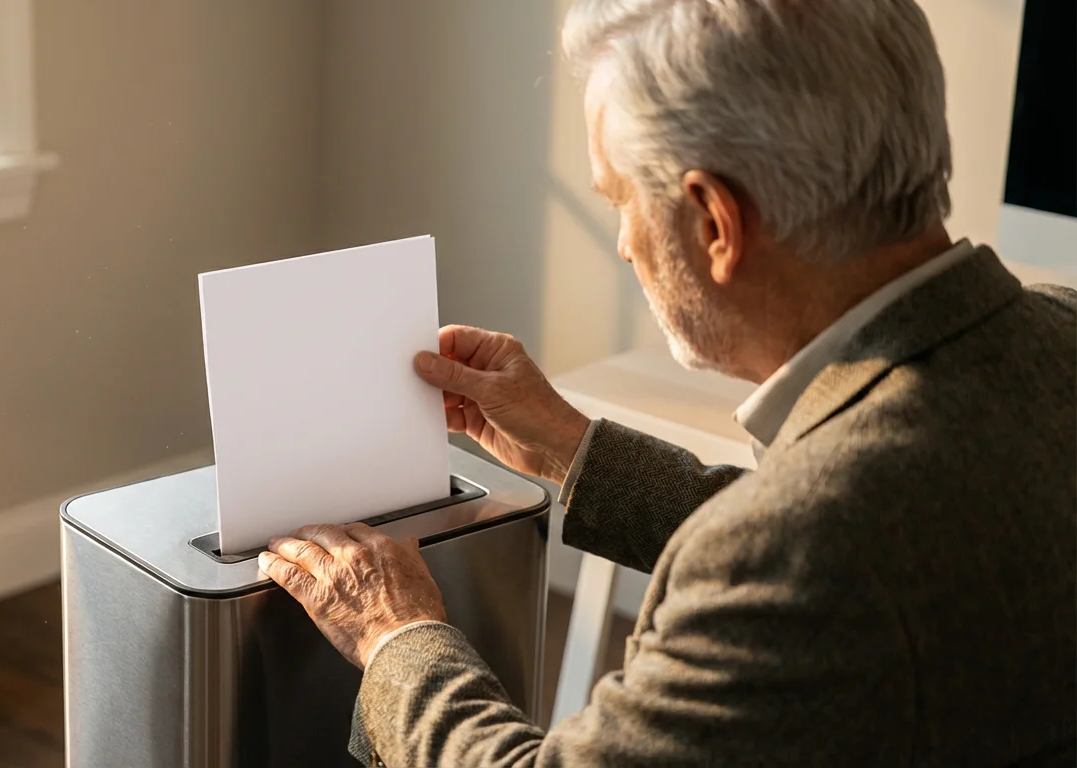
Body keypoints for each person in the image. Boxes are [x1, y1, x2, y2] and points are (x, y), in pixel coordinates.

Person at [257, 0, 1077, 764]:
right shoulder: (1059, 332)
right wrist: (576, 450)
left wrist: (396, 635)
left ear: (715, 223)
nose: (621, 244)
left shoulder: (797, 555)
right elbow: (878, 543)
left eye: (620, 200)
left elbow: (811, 556)